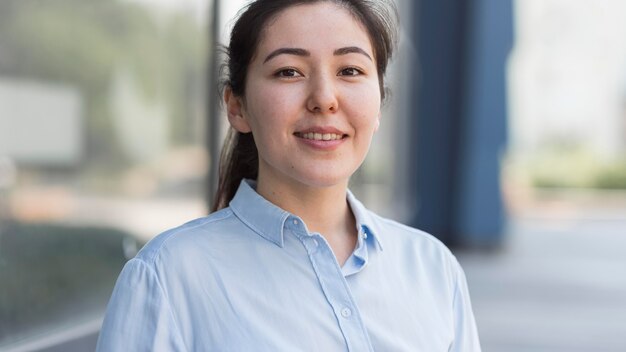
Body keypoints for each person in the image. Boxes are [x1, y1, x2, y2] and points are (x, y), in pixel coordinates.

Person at [96, 0, 481, 351]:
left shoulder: (433, 268)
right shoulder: (167, 278)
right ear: (237, 107)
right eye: (289, 72)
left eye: (350, 70)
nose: (324, 98)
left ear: (379, 101)